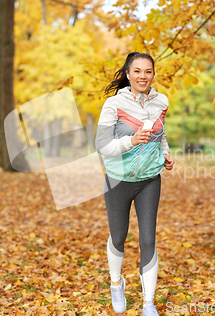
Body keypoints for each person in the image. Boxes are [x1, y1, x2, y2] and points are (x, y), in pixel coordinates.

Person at [95, 52, 175, 315]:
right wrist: (130, 141)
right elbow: (102, 145)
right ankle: (116, 283)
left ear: (153, 74)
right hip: (118, 179)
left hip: (149, 180)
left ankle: (148, 303)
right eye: (137, 71)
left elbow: (160, 134)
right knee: (118, 237)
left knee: (148, 239)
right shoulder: (113, 104)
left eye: (148, 71)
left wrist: (165, 153)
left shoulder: (161, 101)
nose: (143, 76)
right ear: (128, 74)